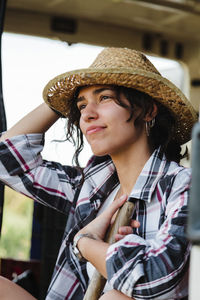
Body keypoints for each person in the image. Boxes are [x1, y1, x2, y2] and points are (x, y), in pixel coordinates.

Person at [0, 47, 198, 300]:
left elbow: (154, 279)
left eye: (104, 98)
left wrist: (85, 242)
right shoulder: (92, 186)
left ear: (149, 110)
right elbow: (7, 162)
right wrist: (61, 102)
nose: (87, 115)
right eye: (81, 106)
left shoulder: (183, 186)